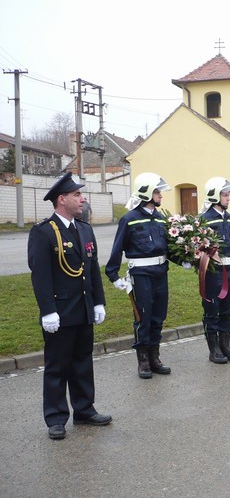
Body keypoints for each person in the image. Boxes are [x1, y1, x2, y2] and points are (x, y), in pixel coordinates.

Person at [28, 172, 111, 440]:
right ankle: (55, 417)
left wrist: (98, 302)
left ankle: (84, 409)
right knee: (57, 365)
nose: (82, 199)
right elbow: (40, 275)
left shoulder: (84, 229)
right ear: (61, 199)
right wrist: (47, 310)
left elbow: (92, 270)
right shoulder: (43, 232)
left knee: (83, 362)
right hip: (61, 312)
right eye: (77, 194)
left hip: (84, 308)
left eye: (81, 194)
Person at [106, 172, 175, 379]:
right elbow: (117, 248)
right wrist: (114, 275)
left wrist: (186, 260)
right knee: (143, 317)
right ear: (145, 192)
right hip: (141, 274)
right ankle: (143, 360)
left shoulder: (161, 218)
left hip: (161, 273)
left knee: (158, 316)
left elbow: (169, 248)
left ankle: (155, 357)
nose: (160, 196)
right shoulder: (129, 219)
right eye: (156, 192)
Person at [199, 177, 230, 363]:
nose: (228, 198)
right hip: (212, 274)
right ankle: (214, 349)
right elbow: (198, 249)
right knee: (212, 311)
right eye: (225, 195)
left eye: (229, 194)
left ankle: (225, 345)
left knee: (228, 310)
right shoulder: (204, 221)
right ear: (214, 196)